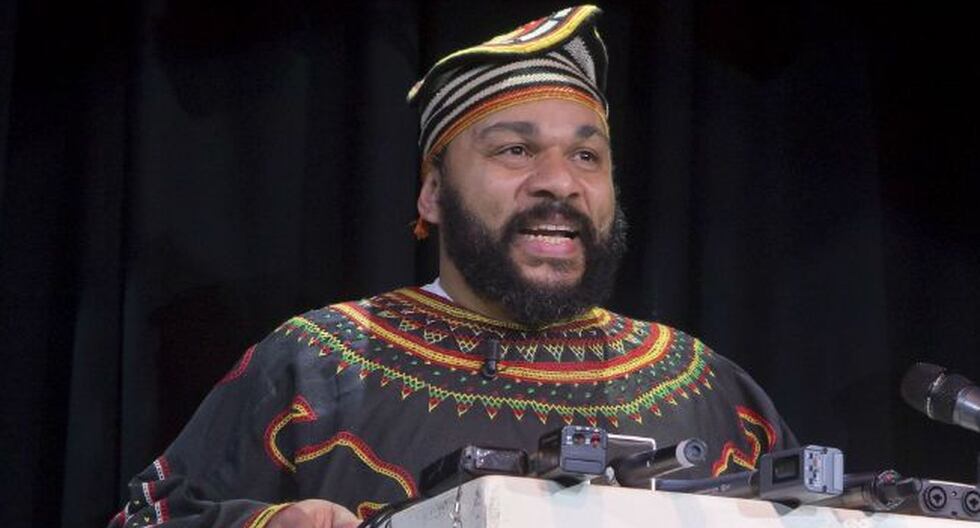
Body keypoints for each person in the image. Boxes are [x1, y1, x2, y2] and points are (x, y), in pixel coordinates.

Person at [109, 5, 796, 528]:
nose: (559, 182)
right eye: (515, 150)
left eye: (587, 156)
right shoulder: (316, 366)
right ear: (432, 193)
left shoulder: (704, 386)